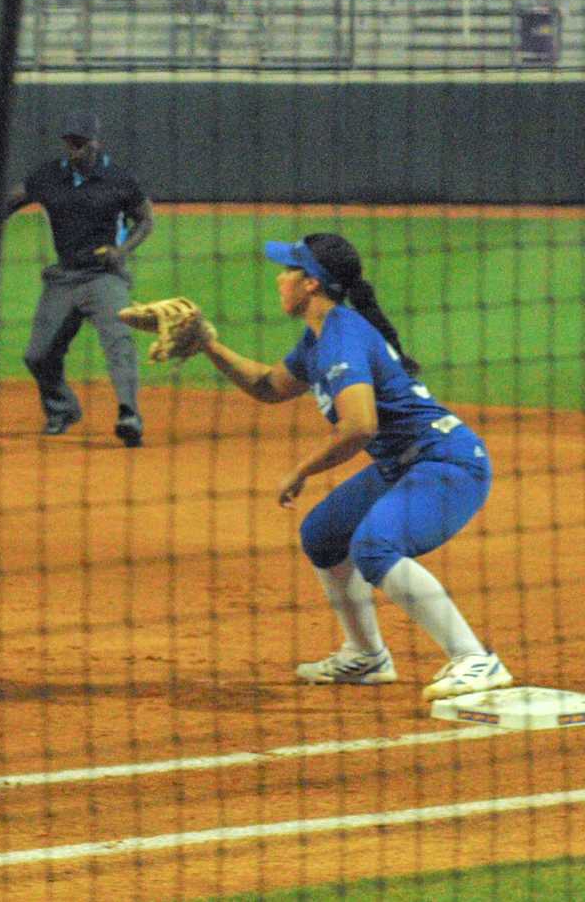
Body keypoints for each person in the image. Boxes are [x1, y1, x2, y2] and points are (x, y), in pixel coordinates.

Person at [183, 234, 514, 700]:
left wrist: (301, 469)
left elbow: (359, 425)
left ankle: (476, 658)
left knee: (374, 547)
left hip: (447, 463)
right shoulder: (319, 338)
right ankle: (366, 657)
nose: (280, 279)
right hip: (405, 465)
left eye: (288, 271)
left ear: (311, 283)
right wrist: (208, 345)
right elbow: (268, 386)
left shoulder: (342, 336)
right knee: (323, 534)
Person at [0, 111, 154, 447]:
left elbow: (146, 220)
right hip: (64, 277)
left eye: (79, 142)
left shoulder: (119, 179)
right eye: (69, 142)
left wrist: (123, 250)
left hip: (105, 276)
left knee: (118, 342)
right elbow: (11, 201)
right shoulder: (49, 176)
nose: (73, 148)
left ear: (94, 142)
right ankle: (61, 408)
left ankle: (128, 414)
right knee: (38, 355)